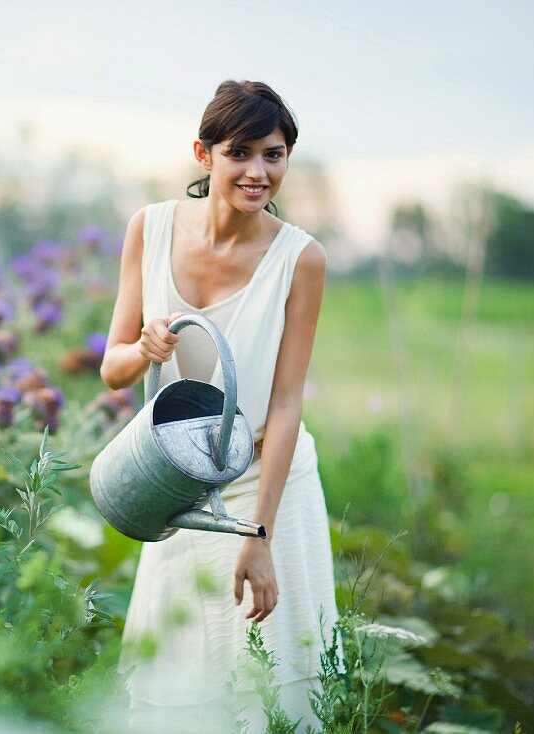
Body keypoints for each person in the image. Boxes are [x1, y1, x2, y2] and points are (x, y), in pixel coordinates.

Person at [99, 80, 338, 733]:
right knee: (178, 678)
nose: (259, 171)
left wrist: (259, 535)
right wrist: (146, 349)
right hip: (177, 480)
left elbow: (287, 405)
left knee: (270, 689)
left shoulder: (301, 259)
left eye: (275, 154)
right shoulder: (150, 228)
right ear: (203, 155)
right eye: (241, 152)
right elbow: (112, 368)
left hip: (268, 485)